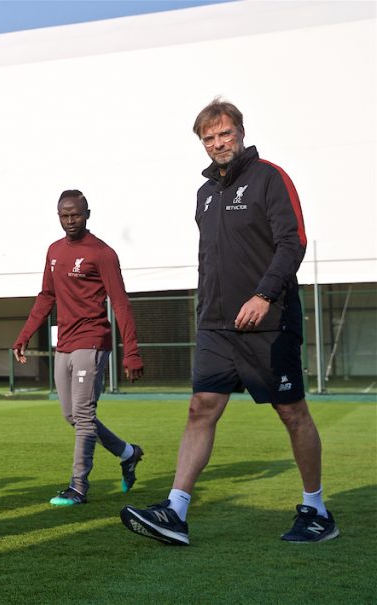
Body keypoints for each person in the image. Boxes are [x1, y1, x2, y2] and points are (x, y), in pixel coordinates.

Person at [120, 98, 338, 545]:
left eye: (225, 133)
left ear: (240, 130)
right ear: (202, 144)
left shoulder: (270, 178)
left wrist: (263, 294)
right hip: (217, 326)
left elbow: (292, 243)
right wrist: (206, 313)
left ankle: (316, 510)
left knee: (291, 412)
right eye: (209, 138)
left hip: (269, 322)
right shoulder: (205, 193)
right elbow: (209, 259)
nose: (219, 143)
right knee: (201, 408)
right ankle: (176, 511)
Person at [12, 190, 145, 506]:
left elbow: (122, 304)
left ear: (88, 214)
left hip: (93, 341)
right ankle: (128, 453)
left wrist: (132, 351)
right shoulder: (54, 251)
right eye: (64, 215)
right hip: (65, 344)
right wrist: (24, 335)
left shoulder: (102, 253)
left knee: (84, 416)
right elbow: (46, 296)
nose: (70, 221)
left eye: (76, 214)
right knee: (71, 414)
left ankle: (78, 487)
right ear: (58, 216)